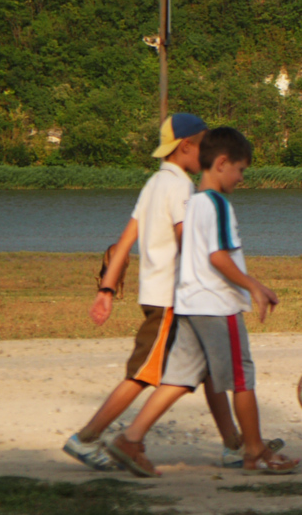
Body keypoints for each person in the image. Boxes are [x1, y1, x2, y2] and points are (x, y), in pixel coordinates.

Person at [106, 125, 299, 477]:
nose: (241, 178)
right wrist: (255, 286)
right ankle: (254, 450)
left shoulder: (192, 201)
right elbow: (218, 256)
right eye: (241, 170)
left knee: (178, 379)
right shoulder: (219, 205)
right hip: (216, 305)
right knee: (242, 379)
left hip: (189, 305)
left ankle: (130, 439)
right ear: (222, 163)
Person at [62, 113, 246, 470]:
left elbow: (125, 240)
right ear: (186, 147)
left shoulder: (154, 184)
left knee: (207, 368)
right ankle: (86, 439)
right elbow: (188, 240)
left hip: (159, 296)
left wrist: (106, 288)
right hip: (169, 300)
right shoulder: (179, 188)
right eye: (205, 145)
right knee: (144, 373)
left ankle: (234, 444)